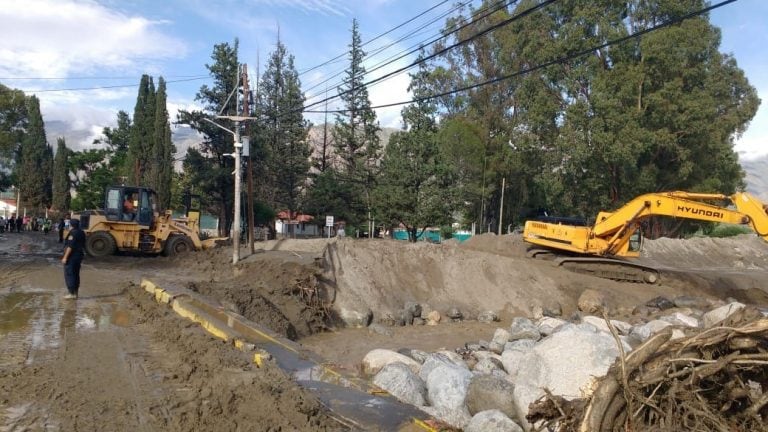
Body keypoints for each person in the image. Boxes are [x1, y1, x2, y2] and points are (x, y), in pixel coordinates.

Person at [61, 219, 86, 300]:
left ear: (71, 225)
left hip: (72, 256)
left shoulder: (73, 233)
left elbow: (70, 246)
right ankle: (75, 292)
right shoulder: (81, 232)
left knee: (69, 274)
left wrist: (65, 257)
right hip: (79, 255)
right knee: (76, 273)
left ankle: (71, 293)